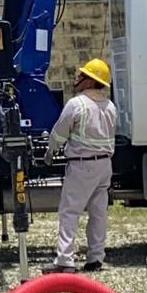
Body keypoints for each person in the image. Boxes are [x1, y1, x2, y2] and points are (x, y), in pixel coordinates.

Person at [43, 59, 117, 274]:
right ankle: (96, 257)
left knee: (69, 212)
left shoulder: (77, 104)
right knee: (98, 213)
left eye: (82, 76)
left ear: (90, 81)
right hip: (104, 165)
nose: (77, 78)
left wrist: (50, 150)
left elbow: (59, 132)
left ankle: (65, 260)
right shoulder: (109, 106)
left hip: (82, 165)